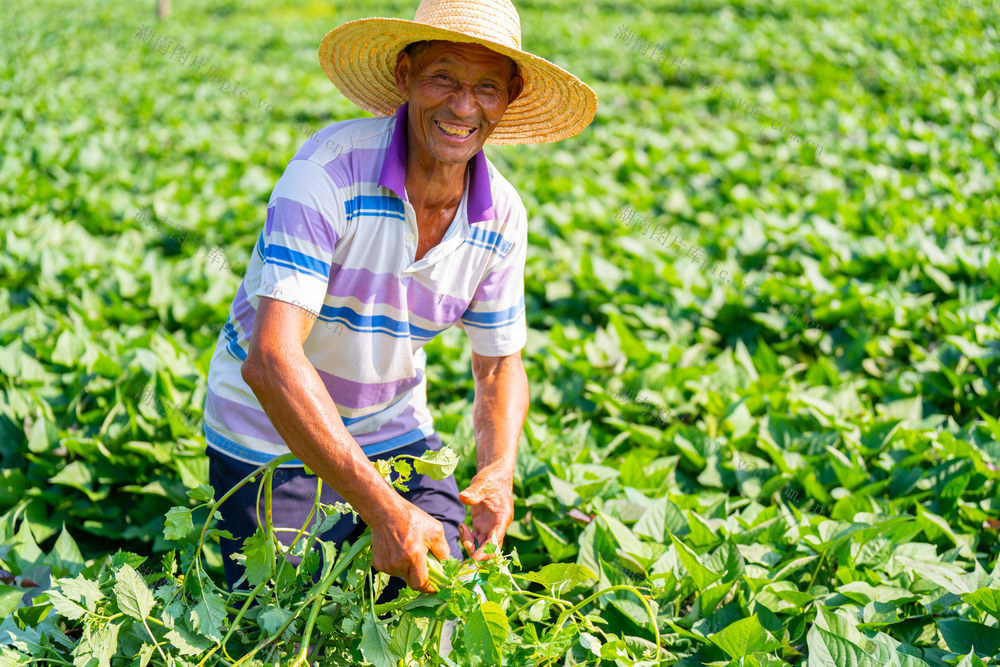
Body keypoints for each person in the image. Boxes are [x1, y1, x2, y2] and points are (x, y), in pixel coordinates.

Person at [201, 0, 597, 596]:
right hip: (269, 437)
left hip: (394, 428)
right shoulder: (327, 174)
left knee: (442, 591)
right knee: (285, 612)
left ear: (509, 97)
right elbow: (271, 360)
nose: (463, 106)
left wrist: (497, 472)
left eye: (486, 86)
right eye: (443, 77)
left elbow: (497, 366)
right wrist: (383, 508)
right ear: (405, 76)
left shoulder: (502, 216)